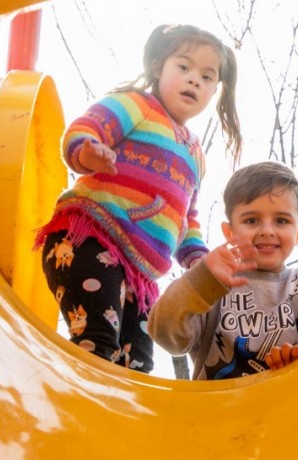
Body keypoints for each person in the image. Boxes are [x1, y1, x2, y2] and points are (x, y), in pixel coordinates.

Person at [34, 24, 242, 374]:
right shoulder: (136, 105)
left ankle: (112, 427)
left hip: (140, 278)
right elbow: (84, 129)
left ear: (214, 90)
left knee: (137, 366)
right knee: (98, 339)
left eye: (207, 77)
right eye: (184, 67)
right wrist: (89, 153)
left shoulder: (196, 155)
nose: (194, 80)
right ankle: (73, 414)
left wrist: (200, 263)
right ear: (160, 66)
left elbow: (185, 220)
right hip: (89, 239)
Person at [148, 161, 298, 380]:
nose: (267, 231)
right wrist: (199, 279)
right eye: (251, 220)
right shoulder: (211, 285)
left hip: (286, 408)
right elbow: (165, 333)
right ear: (229, 232)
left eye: (281, 220)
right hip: (219, 410)